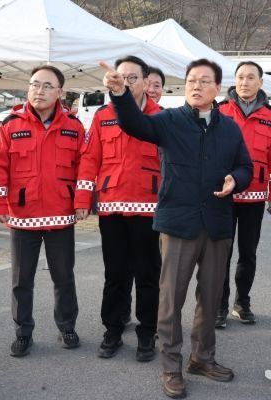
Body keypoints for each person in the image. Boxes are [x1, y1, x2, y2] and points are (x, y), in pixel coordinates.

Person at [101, 58, 253, 399]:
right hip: (178, 223)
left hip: (217, 223)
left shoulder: (230, 128)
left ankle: (202, 358)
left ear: (218, 88)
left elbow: (246, 165)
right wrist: (121, 95)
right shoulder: (169, 121)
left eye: (204, 81)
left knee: (210, 297)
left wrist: (236, 179)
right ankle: (171, 366)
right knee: (171, 299)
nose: (196, 86)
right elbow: (135, 124)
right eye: (191, 81)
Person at [0, 65, 85, 357]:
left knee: (64, 277)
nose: (38, 91)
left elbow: (85, 167)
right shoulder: (10, 125)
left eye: (46, 86)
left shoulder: (74, 126)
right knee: (21, 280)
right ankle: (23, 333)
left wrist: (82, 200)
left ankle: (67, 326)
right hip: (22, 216)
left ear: (60, 92)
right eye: (34, 84)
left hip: (60, 214)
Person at [74, 55, 162, 362]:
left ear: (146, 82)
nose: (126, 83)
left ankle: (147, 331)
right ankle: (112, 329)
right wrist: (82, 199)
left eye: (133, 78)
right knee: (115, 273)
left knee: (148, 274)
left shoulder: (160, 117)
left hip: (149, 208)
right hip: (111, 206)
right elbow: (90, 159)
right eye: (121, 77)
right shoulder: (103, 116)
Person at [215, 61, 271, 328]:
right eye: (241, 77)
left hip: (254, 197)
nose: (245, 82)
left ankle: (242, 302)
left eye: (251, 77)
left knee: (248, 253)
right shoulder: (219, 110)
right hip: (223, 196)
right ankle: (219, 304)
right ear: (235, 80)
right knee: (221, 252)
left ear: (260, 82)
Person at [121, 65, 166, 329]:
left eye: (157, 85)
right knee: (120, 268)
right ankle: (121, 315)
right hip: (118, 203)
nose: (151, 89)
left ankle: (150, 322)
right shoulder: (108, 115)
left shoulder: (166, 119)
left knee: (150, 269)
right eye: (148, 84)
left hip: (153, 205)